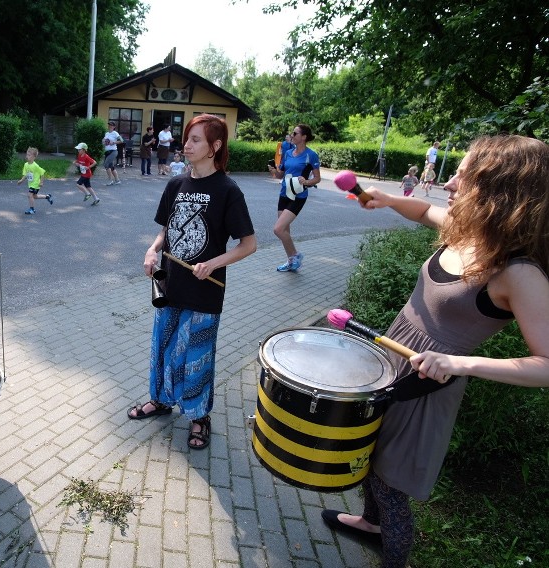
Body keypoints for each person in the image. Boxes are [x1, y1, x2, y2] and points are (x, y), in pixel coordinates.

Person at [323, 135, 549, 568]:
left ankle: (395, 560)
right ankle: (371, 524)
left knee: (391, 482)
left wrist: (458, 362)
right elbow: (425, 210)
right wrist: (387, 200)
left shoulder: (519, 271)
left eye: (463, 174)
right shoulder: (469, 233)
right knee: (367, 453)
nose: (449, 183)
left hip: (427, 384)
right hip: (391, 356)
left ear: (498, 186)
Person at [127, 114, 257, 451]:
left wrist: (213, 262)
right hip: (170, 286)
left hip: (205, 290)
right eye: (187, 138)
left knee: (196, 356)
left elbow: (249, 244)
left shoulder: (228, 190)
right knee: (162, 348)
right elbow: (165, 230)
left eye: (196, 139)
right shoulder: (175, 185)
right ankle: (161, 400)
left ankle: (199, 416)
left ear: (215, 147)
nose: (187, 144)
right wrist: (152, 250)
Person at [267, 123, 321, 272]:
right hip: (284, 194)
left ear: (304, 137)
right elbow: (280, 174)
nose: (292, 135)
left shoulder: (311, 155)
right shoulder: (289, 153)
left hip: (298, 196)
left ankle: (295, 255)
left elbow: (317, 178)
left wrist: (307, 182)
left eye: (295, 133)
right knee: (285, 231)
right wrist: (273, 171)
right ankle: (291, 261)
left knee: (278, 229)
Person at [17, 146, 53, 214]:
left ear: (34, 157)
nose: (27, 156)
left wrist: (41, 182)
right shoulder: (26, 165)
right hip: (31, 184)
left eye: (29, 155)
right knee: (34, 196)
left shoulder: (35, 166)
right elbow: (25, 174)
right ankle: (47, 197)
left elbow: (42, 173)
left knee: (29, 195)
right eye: (27, 154)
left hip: (36, 184)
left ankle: (32, 210)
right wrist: (21, 180)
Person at [102, 121, 123, 186]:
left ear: (114, 127)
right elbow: (104, 141)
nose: (110, 126)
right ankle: (117, 180)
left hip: (113, 151)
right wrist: (103, 141)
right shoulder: (106, 133)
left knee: (106, 165)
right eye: (109, 125)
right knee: (111, 167)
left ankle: (110, 180)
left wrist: (113, 142)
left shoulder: (115, 133)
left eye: (111, 125)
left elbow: (121, 140)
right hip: (107, 152)